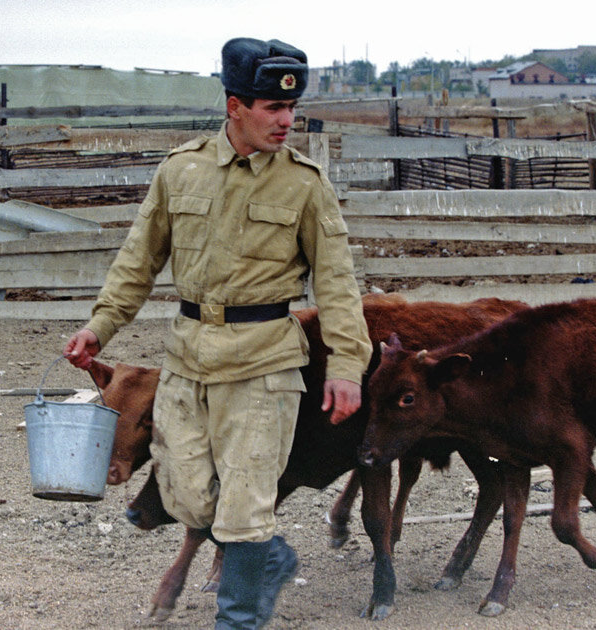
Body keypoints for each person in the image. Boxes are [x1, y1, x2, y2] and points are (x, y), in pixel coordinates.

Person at [65, 37, 372, 629]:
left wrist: (346, 369)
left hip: (263, 366)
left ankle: (238, 617)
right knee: (184, 493)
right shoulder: (180, 171)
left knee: (245, 508)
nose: (286, 120)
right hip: (187, 359)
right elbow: (138, 261)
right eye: (271, 108)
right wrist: (101, 326)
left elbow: (337, 287)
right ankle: (270, 559)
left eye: (291, 109)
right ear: (235, 105)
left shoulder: (305, 185)